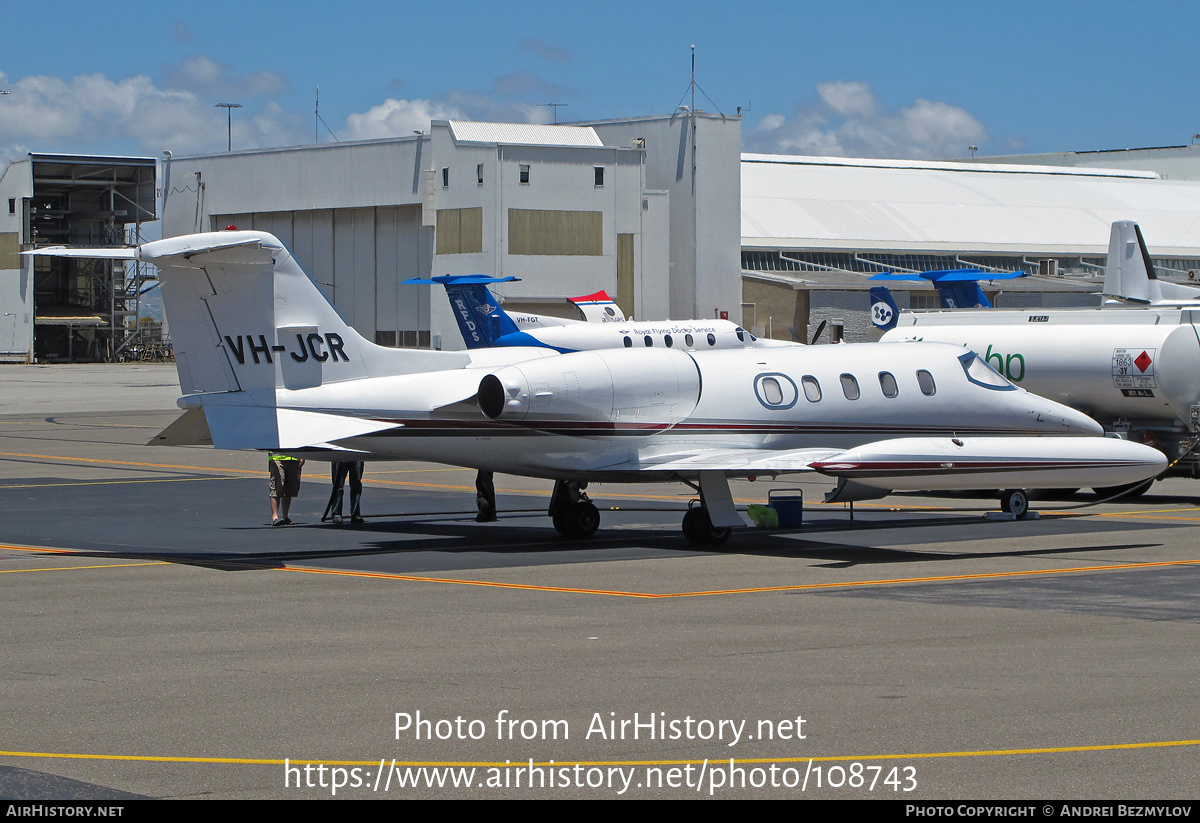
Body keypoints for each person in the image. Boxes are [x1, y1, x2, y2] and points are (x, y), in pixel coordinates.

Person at [268, 452, 304, 526]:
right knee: (277, 485)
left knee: (289, 487)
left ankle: (285, 516)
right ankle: (275, 517)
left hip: (294, 456)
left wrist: (302, 455)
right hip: (277, 456)